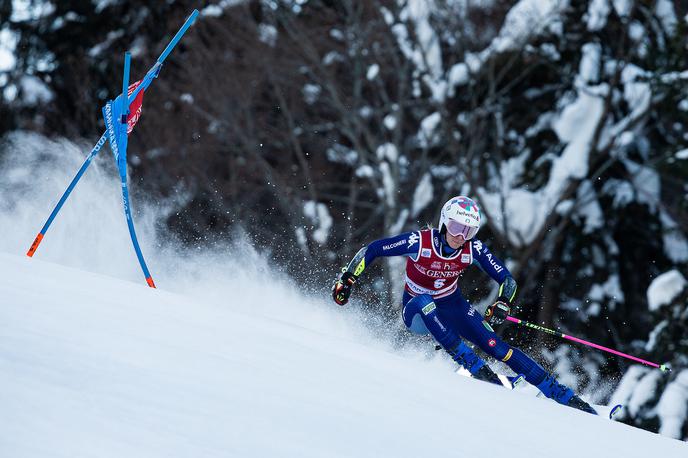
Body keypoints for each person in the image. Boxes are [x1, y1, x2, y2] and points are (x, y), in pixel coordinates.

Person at [332, 196, 596, 414]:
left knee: (495, 345)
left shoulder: (473, 249)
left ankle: (560, 393)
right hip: (416, 311)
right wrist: (348, 278)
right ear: (445, 223)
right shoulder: (420, 242)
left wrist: (503, 302)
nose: (461, 236)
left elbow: (507, 279)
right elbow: (374, 249)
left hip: (452, 306)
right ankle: (475, 367)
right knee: (425, 302)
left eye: (468, 231)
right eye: (457, 228)